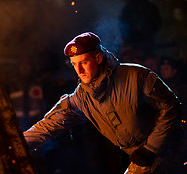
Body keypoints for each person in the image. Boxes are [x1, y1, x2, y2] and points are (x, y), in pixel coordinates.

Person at [23, 32, 186, 173]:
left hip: (170, 149)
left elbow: (171, 107)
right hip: (141, 157)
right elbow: (47, 126)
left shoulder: (136, 76)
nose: (79, 71)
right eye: (74, 65)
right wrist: (16, 143)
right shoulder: (81, 98)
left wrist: (151, 148)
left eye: (84, 62)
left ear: (98, 58)